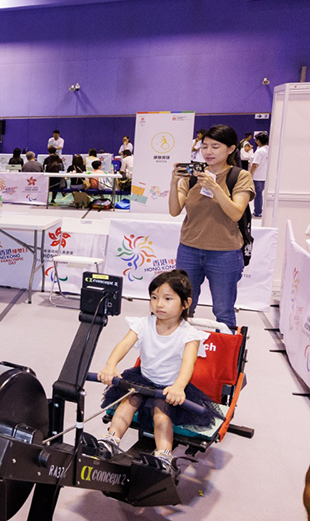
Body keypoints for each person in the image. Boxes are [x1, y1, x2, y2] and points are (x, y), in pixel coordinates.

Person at [96, 270, 223, 473]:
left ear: (186, 303)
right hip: (143, 379)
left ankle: (164, 454)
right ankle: (111, 440)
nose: (159, 304)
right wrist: (111, 365)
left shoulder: (189, 334)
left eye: (167, 298)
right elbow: (124, 345)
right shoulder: (144, 324)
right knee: (127, 402)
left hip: (169, 386)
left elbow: (188, 364)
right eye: (154, 298)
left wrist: (179, 387)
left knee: (160, 413)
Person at [170, 124, 253, 330]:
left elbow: (236, 212)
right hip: (188, 249)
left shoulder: (239, 176)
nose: (208, 152)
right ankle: (181, 353)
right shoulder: (193, 176)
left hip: (225, 253)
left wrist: (214, 187)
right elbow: (174, 210)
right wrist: (174, 183)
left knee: (223, 311)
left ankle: (227, 359)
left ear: (231, 149)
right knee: (184, 307)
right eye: (204, 146)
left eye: (215, 147)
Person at [250, 132, 269, 218]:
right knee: (259, 194)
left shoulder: (260, 151)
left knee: (257, 195)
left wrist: (250, 174)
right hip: (264, 175)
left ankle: (257, 211)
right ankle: (258, 211)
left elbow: (255, 164)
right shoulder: (268, 149)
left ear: (258, 141)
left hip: (257, 176)